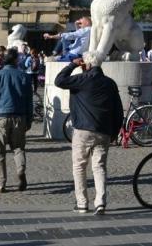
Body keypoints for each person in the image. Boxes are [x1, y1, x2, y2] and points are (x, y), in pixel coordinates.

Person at [55, 52, 122, 213]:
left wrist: (72, 64)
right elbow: (118, 110)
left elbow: (59, 81)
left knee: (79, 166)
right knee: (99, 167)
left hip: (83, 130)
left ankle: (82, 203)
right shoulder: (110, 83)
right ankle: (100, 202)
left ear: (87, 65)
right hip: (104, 130)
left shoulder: (82, 80)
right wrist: (114, 132)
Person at [0, 47, 34, 192]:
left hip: (1, 116)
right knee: (18, 148)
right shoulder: (24, 77)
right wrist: (29, 119)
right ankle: (20, 171)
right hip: (19, 116)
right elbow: (29, 101)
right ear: (16, 60)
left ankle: (1, 183)